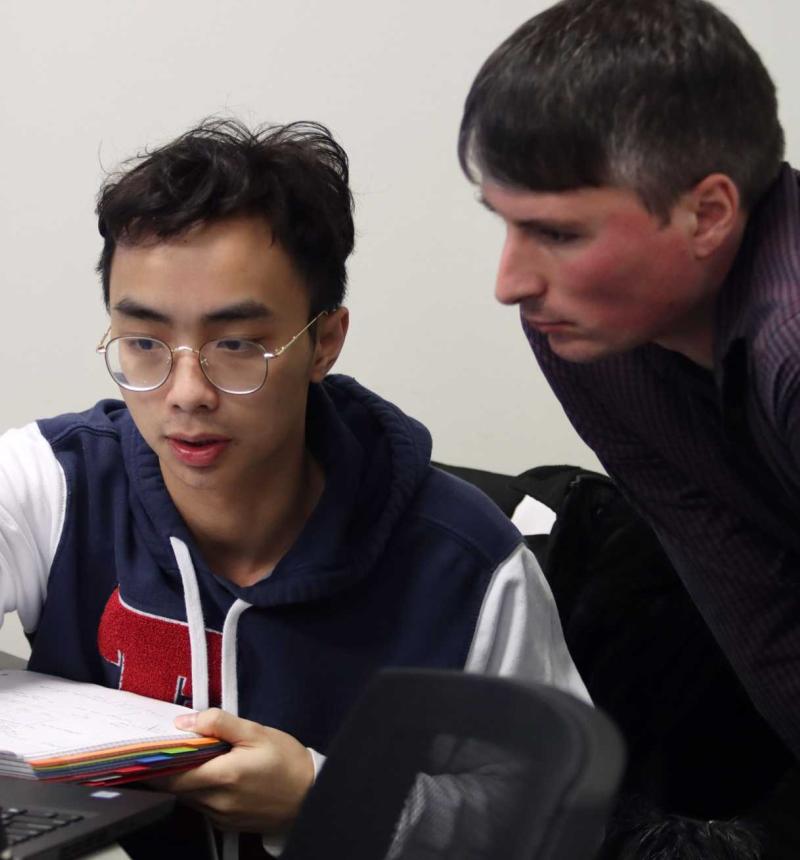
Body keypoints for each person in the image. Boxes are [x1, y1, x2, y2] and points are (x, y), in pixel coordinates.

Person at [0, 119, 586, 859]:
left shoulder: (469, 563)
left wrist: (325, 797)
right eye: (145, 342)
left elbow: (560, 823)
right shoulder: (55, 482)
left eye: (237, 345)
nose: (185, 393)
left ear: (325, 341)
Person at [458, 0, 800, 849]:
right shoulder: (584, 336)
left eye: (557, 233)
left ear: (709, 214)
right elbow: (750, 598)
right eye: (504, 222)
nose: (510, 281)